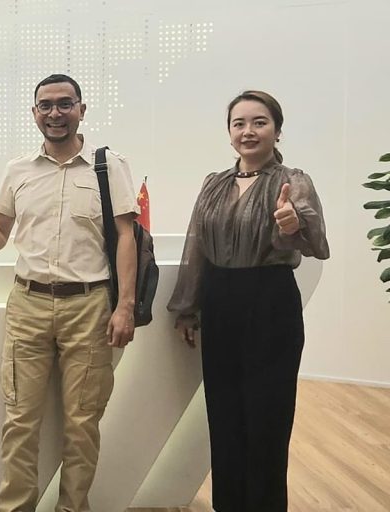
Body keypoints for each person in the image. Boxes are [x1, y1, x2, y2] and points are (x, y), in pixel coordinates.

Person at [0, 74, 139, 512]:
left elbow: (127, 237)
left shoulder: (108, 166)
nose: (55, 113)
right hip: (27, 304)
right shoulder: (18, 171)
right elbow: (0, 237)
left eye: (65, 104)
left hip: (89, 306)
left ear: (82, 109)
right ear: (34, 113)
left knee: (83, 423)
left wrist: (125, 306)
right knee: (20, 419)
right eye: (45, 105)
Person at [167, 90, 329, 511]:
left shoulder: (292, 181)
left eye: (259, 122)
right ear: (229, 133)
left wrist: (292, 223)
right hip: (220, 303)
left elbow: (316, 242)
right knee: (224, 414)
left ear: (277, 130)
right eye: (239, 123)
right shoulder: (214, 183)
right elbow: (197, 247)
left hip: (270, 301)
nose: (248, 131)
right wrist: (187, 308)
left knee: (268, 417)